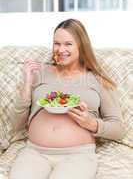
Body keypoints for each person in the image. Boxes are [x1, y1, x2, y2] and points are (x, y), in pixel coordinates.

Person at [9, 19, 124, 179]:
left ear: (81, 46)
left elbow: (118, 128)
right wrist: (27, 84)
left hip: (78, 155)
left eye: (68, 44)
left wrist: (92, 124)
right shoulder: (40, 73)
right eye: (56, 43)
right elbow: (17, 125)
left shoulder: (98, 80)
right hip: (35, 152)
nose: (61, 49)